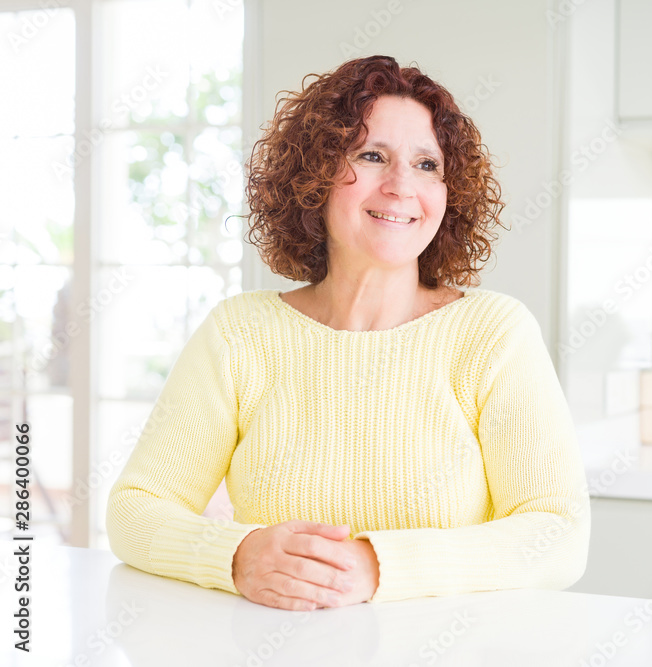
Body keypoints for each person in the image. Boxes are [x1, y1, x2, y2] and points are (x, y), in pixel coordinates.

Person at [106, 55, 591, 611]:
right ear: (314, 176)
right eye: (371, 155)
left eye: (427, 164)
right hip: (274, 645)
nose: (401, 186)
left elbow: (558, 534)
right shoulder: (239, 334)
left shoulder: (494, 333)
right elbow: (135, 509)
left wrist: (375, 565)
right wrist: (236, 555)